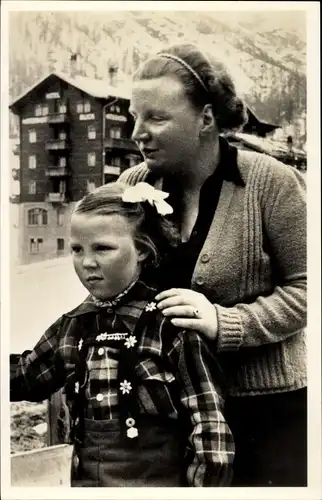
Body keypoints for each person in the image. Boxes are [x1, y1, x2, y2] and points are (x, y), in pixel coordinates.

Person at [118, 43, 307, 487]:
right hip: (167, 412)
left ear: (205, 118)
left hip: (267, 415)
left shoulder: (270, 183)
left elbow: (307, 288)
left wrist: (225, 323)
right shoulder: (132, 185)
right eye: (134, 116)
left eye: (156, 118)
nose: (137, 133)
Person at [10, 181, 235, 487]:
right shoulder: (74, 326)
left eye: (102, 248)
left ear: (142, 250)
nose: (87, 262)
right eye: (77, 249)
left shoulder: (170, 324)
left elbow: (209, 425)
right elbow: (25, 376)